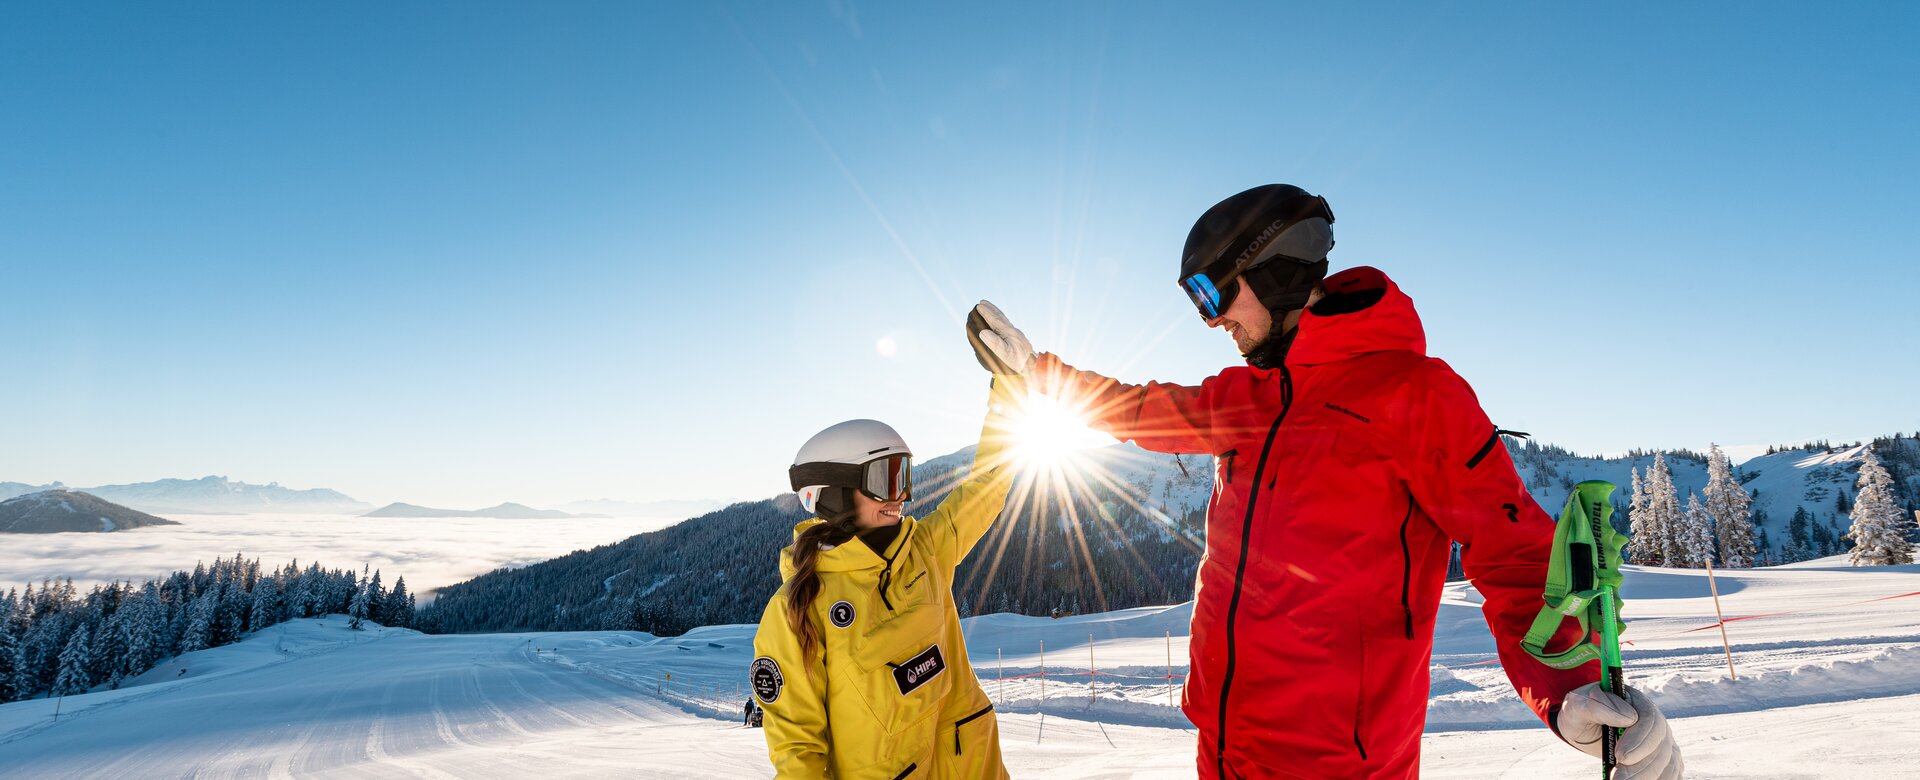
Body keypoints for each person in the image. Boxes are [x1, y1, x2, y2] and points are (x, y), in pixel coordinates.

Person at [966, 184, 1682, 779]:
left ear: (1274, 271)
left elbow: (1517, 554)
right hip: (1222, 749)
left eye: (1217, 292)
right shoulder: (1253, 396)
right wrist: (1038, 377)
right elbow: (1145, 409)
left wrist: (1570, 689)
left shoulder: (1416, 396)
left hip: (1340, 766)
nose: (1214, 321)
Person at [750, 378, 1020, 778]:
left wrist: (1010, 392)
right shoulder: (800, 607)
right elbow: (797, 750)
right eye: (885, 479)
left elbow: (987, 488)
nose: (900, 496)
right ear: (836, 491)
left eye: (904, 477)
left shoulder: (924, 551)